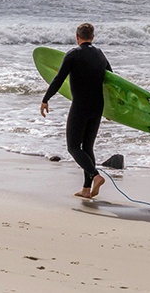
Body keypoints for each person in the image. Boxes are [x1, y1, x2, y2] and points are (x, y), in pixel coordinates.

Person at [40, 22, 112, 200]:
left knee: (73, 147)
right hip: (98, 106)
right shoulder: (100, 54)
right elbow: (112, 80)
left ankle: (96, 176)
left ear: (77, 37)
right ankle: (86, 189)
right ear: (92, 37)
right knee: (87, 147)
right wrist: (113, 110)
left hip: (81, 106)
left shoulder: (73, 54)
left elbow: (58, 79)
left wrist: (45, 99)